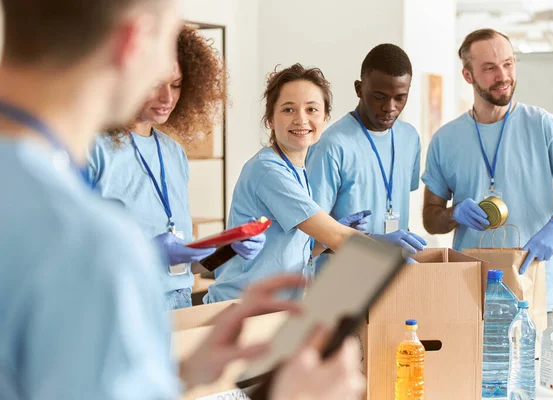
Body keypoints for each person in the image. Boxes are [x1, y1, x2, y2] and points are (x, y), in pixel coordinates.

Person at [0, 0, 365, 398]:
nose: (168, 90)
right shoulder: (90, 240)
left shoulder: (36, 189)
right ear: (134, 42)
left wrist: (187, 373)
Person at [421, 28, 553, 312]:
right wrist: (453, 214)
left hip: (535, 297)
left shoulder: (544, 127)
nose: (503, 76)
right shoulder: (446, 140)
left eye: (508, 64)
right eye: (490, 68)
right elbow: (430, 219)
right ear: (468, 75)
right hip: (470, 301)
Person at [88, 26, 266, 310]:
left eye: (176, 84)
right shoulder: (94, 148)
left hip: (178, 305)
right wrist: (148, 252)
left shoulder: (173, 154)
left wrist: (227, 250)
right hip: (122, 306)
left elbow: (186, 264)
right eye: (154, 83)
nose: (167, 98)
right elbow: (72, 255)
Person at [205, 64, 377, 303]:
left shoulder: (297, 169)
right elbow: (338, 237)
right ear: (270, 120)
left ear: (325, 117)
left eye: (312, 109)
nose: (301, 119)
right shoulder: (268, 170)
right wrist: (385, 247)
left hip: (275, 309)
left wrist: (322, 244)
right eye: (288, 109)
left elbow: (293, 250)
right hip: (240, 310)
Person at [306, 44, 427, 273]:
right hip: (340, 282)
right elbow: (312, 235)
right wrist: (373, 242)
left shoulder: (410, 138)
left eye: (400, 98)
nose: (389, 108)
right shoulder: (331, 145)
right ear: (359, 88)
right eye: (379, 96)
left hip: (392, 277)